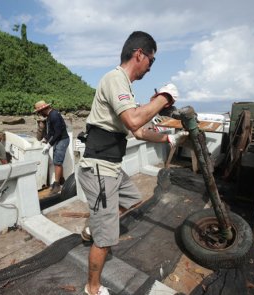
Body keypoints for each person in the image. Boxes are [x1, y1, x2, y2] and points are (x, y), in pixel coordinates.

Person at [77, 31, 189, 295]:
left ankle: (93, 227)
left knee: (131, 197)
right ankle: (92, 288)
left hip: (111, 167)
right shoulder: (115, 79)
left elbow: (138, 132)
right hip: (99, 168)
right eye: (151, 61)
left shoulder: (125, 86)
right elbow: (134, 121)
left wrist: (168, 139)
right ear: (139, 54)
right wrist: (164, 98)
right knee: (105, 240)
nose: (150, 67)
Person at [34, 100, 70, 195]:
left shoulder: (54, 115)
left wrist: (49, 144)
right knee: (56, 161)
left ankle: (57, 185)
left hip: (62, 140)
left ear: (43, 109)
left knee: (57, 162)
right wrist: (45, 139)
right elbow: (51, 132)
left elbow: (58, 132)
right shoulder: (50, 116)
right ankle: (61, 179)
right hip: (58, 140)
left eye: (39, 112)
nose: (39, 114)